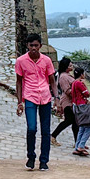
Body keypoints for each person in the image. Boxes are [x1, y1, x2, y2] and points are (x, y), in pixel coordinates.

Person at [15, 34, 57, 171]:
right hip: (30, 96)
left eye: (36, 45)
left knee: (45, 131)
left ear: (40, 46)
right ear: (27, 45)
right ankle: (31, 156)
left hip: (45, 96)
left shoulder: (46, 60)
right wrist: (19, 101)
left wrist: (56, 98)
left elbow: (52, 80)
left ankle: (44, 160)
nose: (33, 48)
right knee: (32, 128)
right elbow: (19, 82)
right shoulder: (21, 61)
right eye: (31, 45)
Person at [50, 57, 78, 147]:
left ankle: (78, 142)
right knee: (69, 120)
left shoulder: (66, 75)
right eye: (70, 65)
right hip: (67, 102)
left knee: (75, 122)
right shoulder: (64, 77)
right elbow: (67, 91)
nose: (72, 66)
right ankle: (53, 136)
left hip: (71, 102)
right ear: (66, 66)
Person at [68, 66, 90, 156]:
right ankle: (81, 145)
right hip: (82, 106)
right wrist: (85, 85)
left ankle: (77, 146)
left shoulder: (74, 83)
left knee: (82, 127)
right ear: (82, 74)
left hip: (76, 105)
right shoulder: (79, 83)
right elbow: (87, 94)